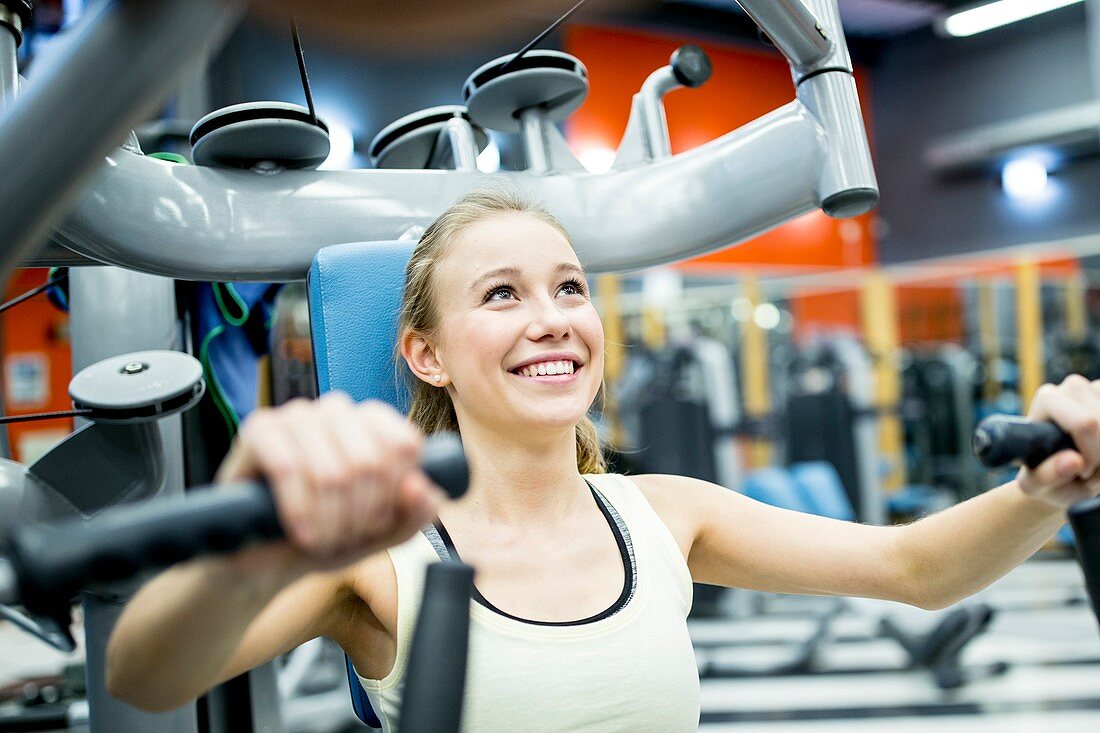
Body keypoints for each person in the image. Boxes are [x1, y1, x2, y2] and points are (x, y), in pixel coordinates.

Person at [106, 188, 1100, 731]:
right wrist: (249, 546)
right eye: (501, 295)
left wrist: (1047, 486)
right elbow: (144, 679)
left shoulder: (659, 514)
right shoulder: (381, 554)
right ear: (427, 354)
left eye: (569, 288)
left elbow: (914, 568)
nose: (552, 320)